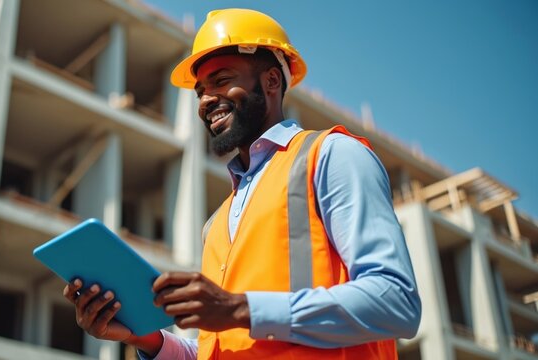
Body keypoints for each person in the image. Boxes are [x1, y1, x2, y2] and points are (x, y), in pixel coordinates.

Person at [63, 8, 421, 360]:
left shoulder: (331, 155)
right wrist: (147, 339)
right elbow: (222, 348)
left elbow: (396, 301)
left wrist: (239, 308)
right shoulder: (218, 223)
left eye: (220, 80)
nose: (205, 101)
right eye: (200, 91)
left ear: (271, 81)